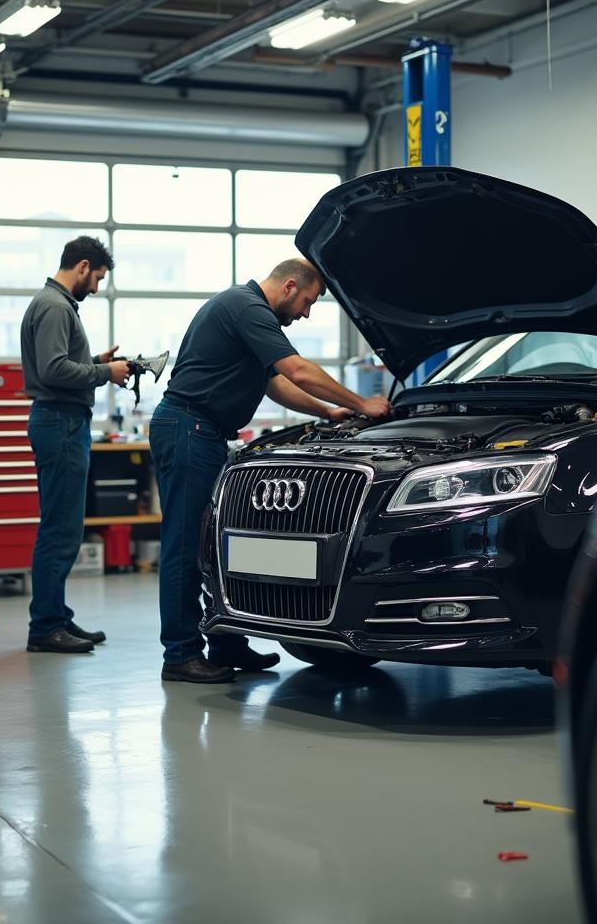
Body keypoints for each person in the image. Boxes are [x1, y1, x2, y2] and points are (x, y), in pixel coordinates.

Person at [150, 258, 392, 683]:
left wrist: (328, 412)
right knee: (186, 545)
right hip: (188, 427)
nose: (306, 313)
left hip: (202, 430)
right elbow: (296, 370)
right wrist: (361, 403)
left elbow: (275, 383)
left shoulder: (245, 314)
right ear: (289, 286)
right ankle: (180, 654)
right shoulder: (247, 307)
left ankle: (227, 642)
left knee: (214, 546)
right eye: (308, 302)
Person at [20, 236, 132, 653]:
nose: (98, 287)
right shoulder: (54, 306)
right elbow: (53, 370)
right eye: (98, 278)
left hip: (62, 421)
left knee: (63, 526)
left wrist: (97, 362)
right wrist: (105, 372)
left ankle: (56, 615)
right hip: (60, 421)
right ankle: (46, 627)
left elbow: (62, 362)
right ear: (82, 266)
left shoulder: (56, 305)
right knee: (60, 530)